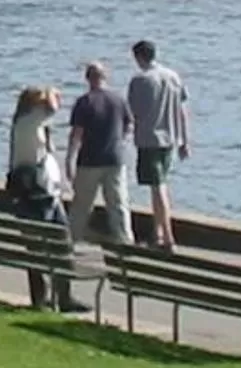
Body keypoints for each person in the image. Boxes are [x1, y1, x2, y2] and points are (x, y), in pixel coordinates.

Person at [5, 85, 80, 310]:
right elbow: (53, 108)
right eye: (41, 102)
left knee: (60, 244)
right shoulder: (28, 123)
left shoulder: (31, 125)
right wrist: (51, 92)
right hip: (37, 197)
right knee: (41, 248)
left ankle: (58, 296)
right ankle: (47, 298)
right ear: (32, 106)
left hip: (48, 194)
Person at [124, 40, 191, 249]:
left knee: (158, 186)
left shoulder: (140, 80)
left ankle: (167, 238)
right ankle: (158, 232)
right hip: (170, 139)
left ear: (139, 57)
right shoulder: (173, 76)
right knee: (158, 186)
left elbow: (132, 112)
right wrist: (185, 140)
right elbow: (182, 110)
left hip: (149, 139)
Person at [66, 61, 133, 249]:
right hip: (115, 159)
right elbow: (129, 125)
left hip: (89, 161)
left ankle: (74, 239)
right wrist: (120, 142)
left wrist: (70, 159)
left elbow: (77, 134)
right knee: (118, 203)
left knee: (82, 205)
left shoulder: (84, 102)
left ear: (87, 78)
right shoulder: (119, 100)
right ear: (106, 77)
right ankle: (125, 240)